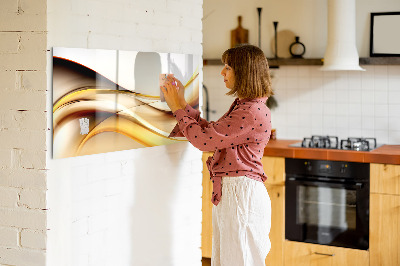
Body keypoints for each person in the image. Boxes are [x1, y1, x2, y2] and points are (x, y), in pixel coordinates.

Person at [161, 44, 273, 266]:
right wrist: (183, 103)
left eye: (228, 67)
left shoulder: (250, 111)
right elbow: (212, 133)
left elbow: (204, 141)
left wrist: (176, 108)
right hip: (236, 193)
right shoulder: (246, 106)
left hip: (241, 195)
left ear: (244, 72)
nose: (222, 72)